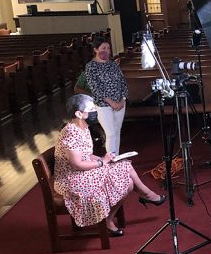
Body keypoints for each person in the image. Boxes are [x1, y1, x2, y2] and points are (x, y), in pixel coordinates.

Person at [54, 94, 165, 237]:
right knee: (125, 168)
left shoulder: (83, 127)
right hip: (73, 180)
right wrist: (102, 162)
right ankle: (147, 194)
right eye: (91, 109)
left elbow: (86, 154)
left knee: (129, 183)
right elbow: (77, 165)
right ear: (79, 113)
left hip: (83, 173)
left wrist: (103, 158)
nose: (95, 111)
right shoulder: (71, 133)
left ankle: (109, 218)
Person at [85, 36, 128, 155]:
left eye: (108, 48)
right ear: (95, 50)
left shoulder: (113, 64)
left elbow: (122, 81)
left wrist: (123, 99)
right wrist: (111, 102)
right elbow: (95, 87)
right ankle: (111, 160)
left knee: (117, 131)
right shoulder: (91, 67)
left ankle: (116, 156)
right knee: (110, 133)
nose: (107, 50)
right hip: (104, 104)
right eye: (103, 48)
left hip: (120, 102)